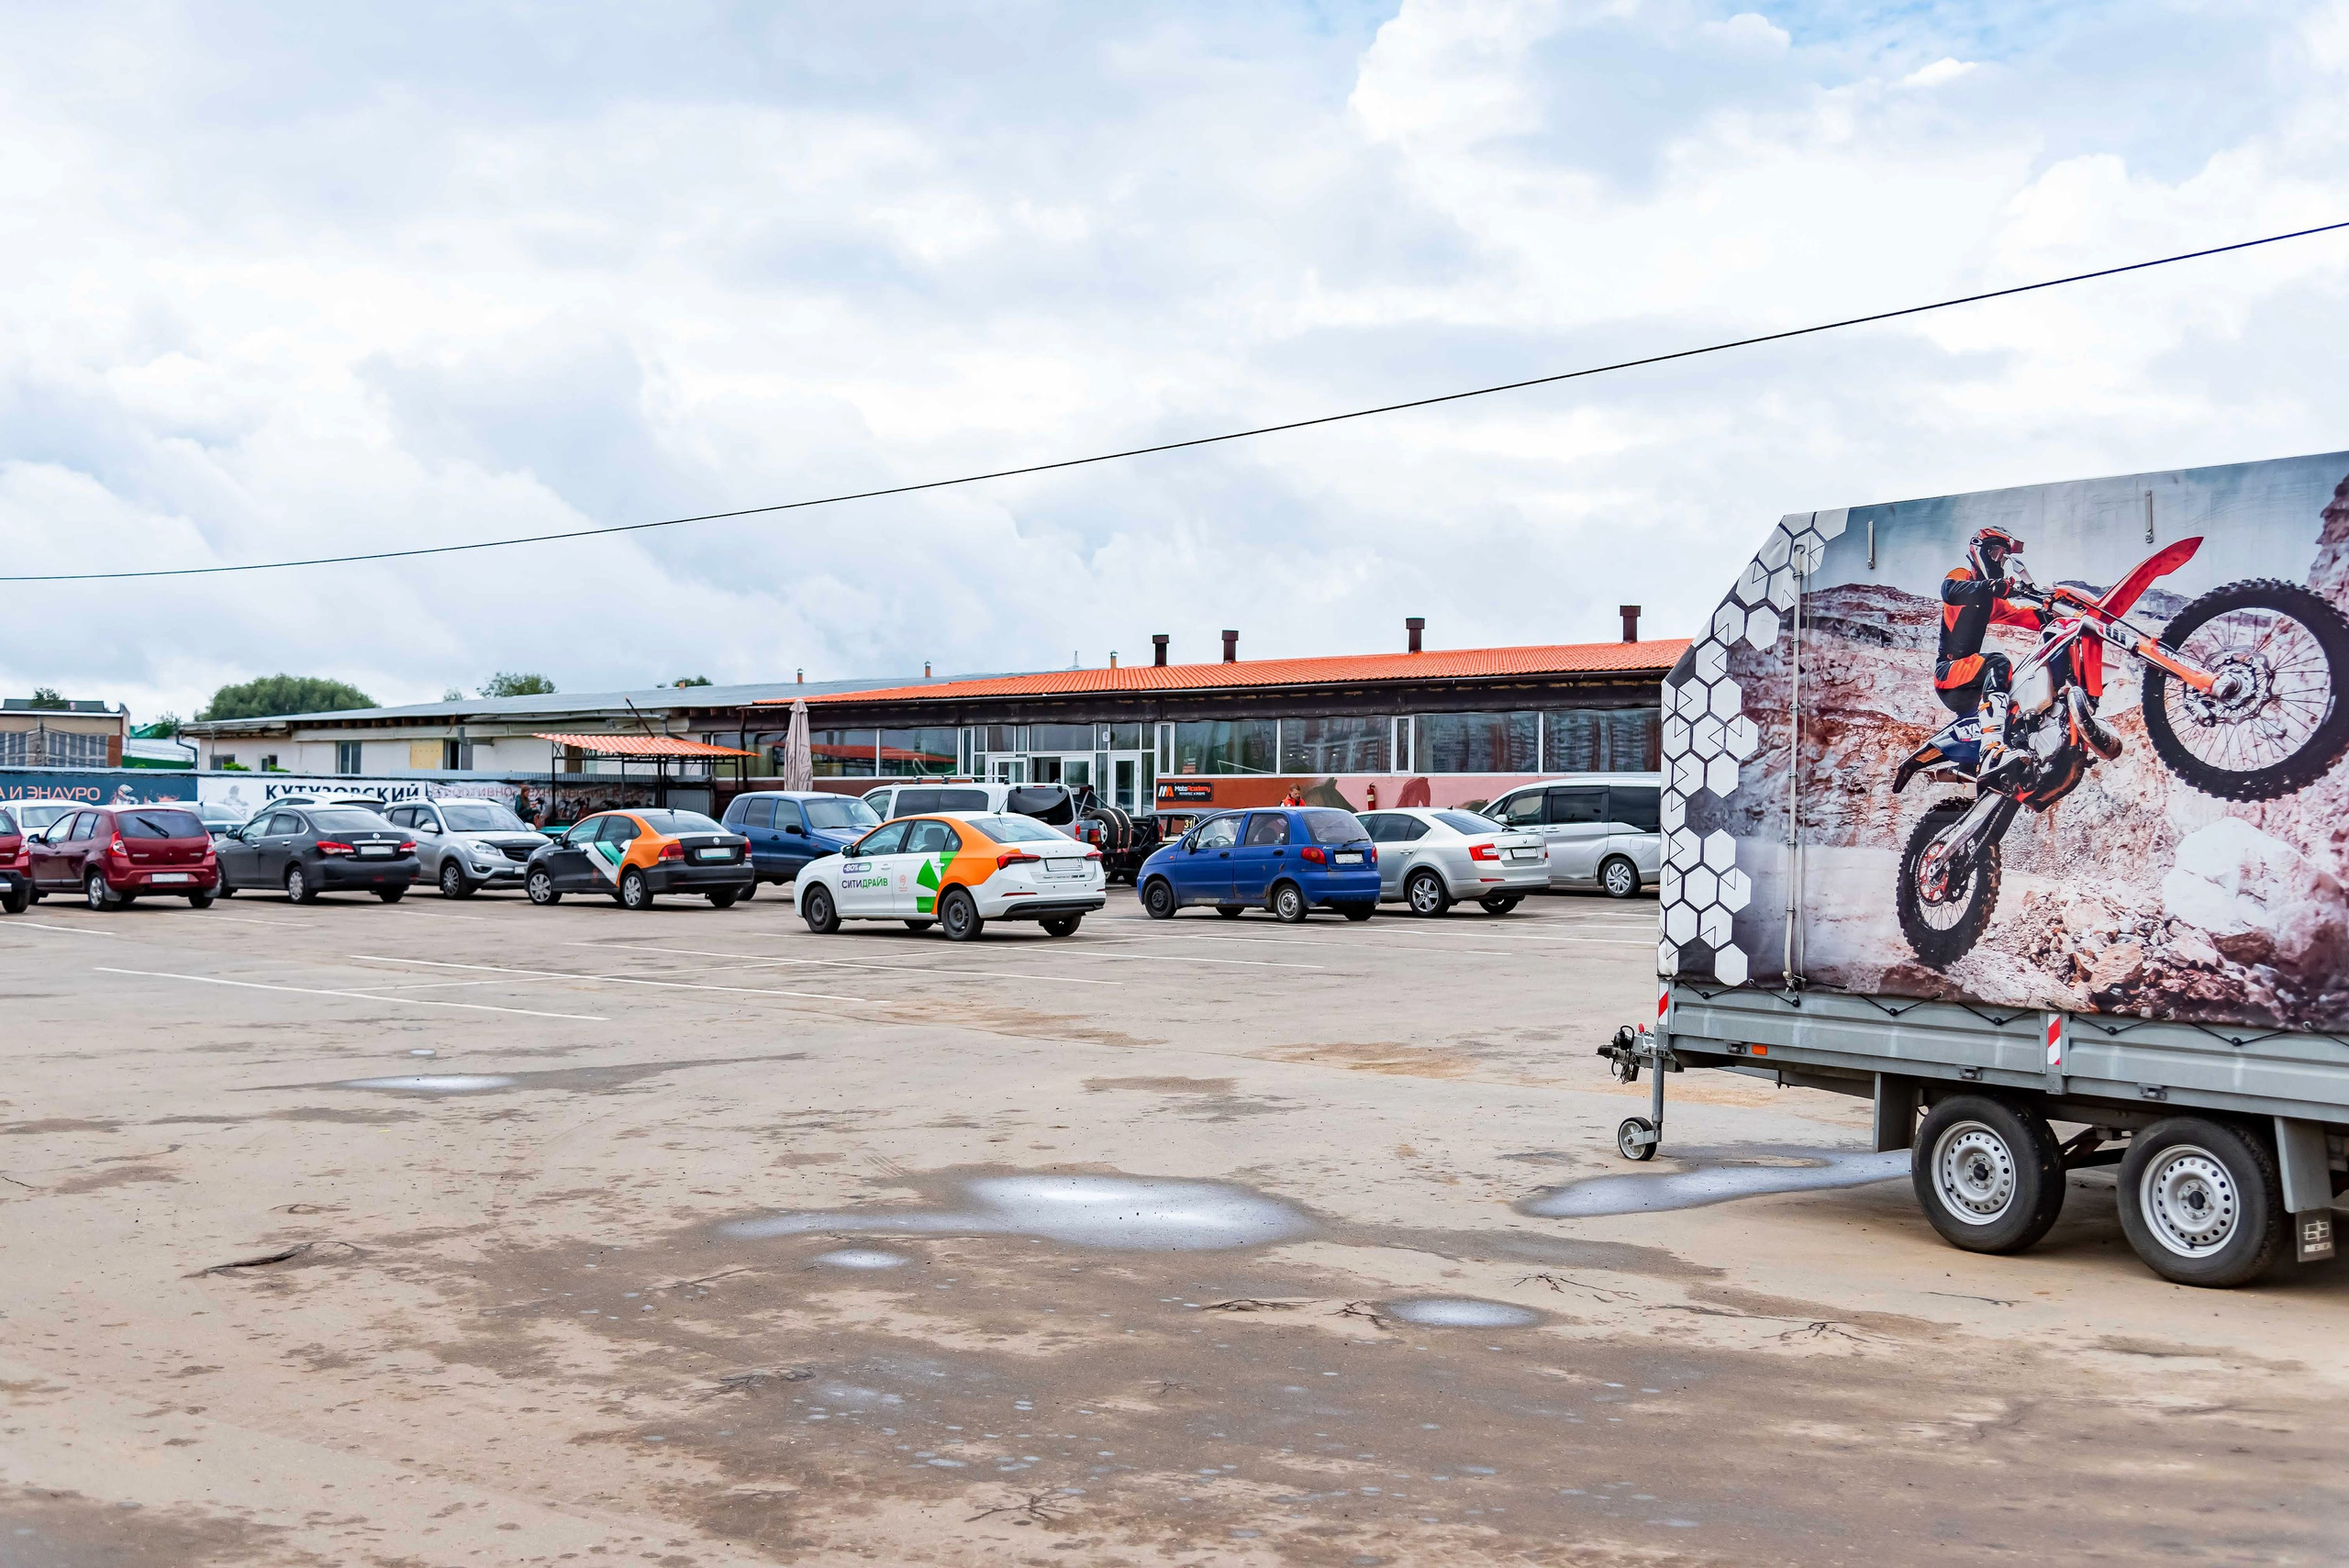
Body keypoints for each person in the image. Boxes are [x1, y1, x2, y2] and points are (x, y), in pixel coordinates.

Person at [1936, 526, 2043, 788]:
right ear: (1978, 550)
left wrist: (2051, 613)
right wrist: (1994, 585)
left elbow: (2021, 616)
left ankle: (2011, 757)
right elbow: (1950, 590)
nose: (1998, 560)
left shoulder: (1991, 602)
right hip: (1949, 673)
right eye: (1994, 552)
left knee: (2017, 692)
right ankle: (1992, 746)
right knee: (1998, 662)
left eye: (2003, 556)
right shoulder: (1962, 578)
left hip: (1971, 682)